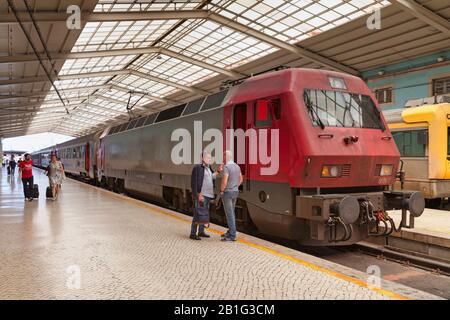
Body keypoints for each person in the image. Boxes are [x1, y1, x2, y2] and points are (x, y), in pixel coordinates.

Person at [190, 152, 222, 240]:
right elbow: (194, 182)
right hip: (202, 195)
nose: (210, 159)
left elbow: (212, 177)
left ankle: (201, 232)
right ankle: (193, 233)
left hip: (208, 195)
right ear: (203, 159)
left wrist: (218, 171)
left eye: (210, 158)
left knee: (203, 214)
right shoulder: (197, 168)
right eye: (208, 158)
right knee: (198, 213)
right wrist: (198, 194)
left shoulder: (208, 168)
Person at [219, 150, 243, 242]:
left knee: (229, 214)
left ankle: (232, 236)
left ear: (226, 157)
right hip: (235, 192)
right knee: (231, 212)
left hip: (228, 193)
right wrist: (235, 186)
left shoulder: (226, 167)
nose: (223, 158)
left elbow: (224, 180)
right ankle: (230, 231)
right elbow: (241, 179)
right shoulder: (237, 166)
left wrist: (221, 190)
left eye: (223, 156)